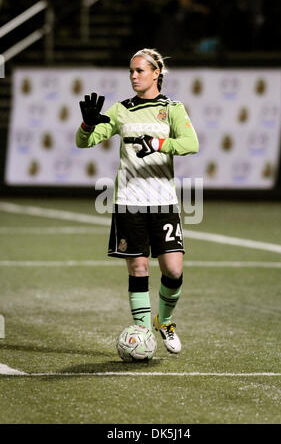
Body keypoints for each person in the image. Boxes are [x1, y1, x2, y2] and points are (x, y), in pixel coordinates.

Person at [76, 48, 199, 354]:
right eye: (131, 71)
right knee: (139, 268)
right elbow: (85, 142)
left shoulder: (172, 109)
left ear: (157, 73)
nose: (133, 76)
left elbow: (190, 144)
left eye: (140, 71)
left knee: (172, 270)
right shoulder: (121, 110)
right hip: (128, 201)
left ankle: (164, 321)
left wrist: (158, 143)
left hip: (163, 202)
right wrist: (88, 125)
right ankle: (142, 331)